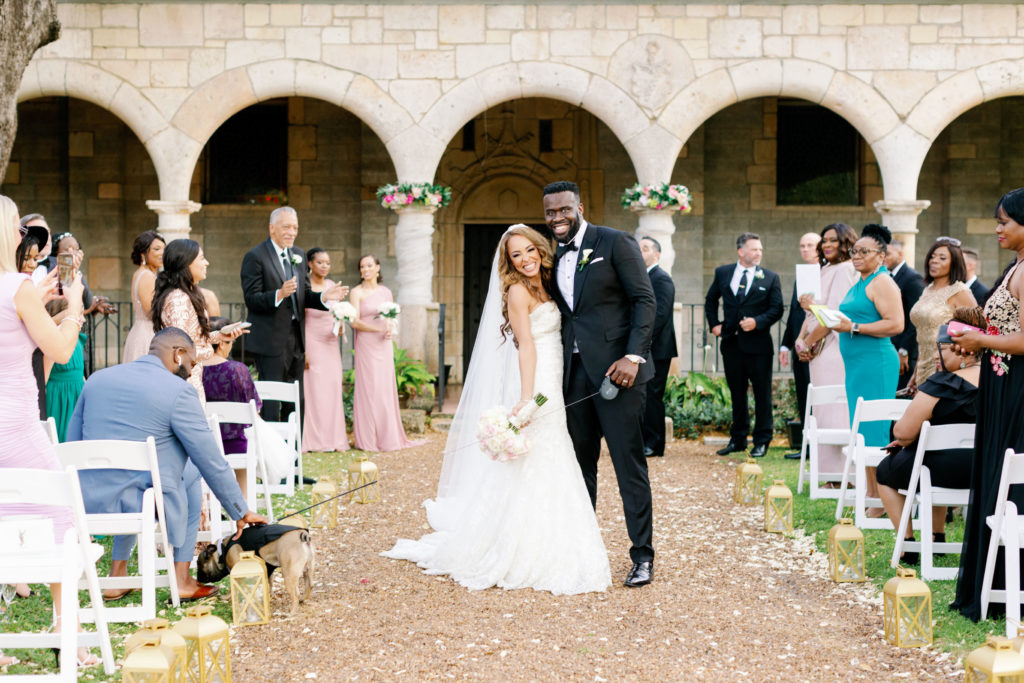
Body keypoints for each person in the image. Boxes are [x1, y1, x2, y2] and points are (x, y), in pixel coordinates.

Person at [382, 224, 611, 594]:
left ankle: (547, 537)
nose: (524, 260)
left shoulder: (549, 283)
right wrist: (527, 395)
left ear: (540, 249)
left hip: (559, 373)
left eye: (529, 251)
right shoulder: (518, 292)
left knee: (553, 455)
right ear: (508, 262)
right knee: (540, 453)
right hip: (540, 382)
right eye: (515, 255)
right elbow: (525, 346)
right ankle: (522, 549)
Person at [68, 327, 268, 601]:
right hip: (141, 501)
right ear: (178, 354)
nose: (191, 369)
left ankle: (118, 574)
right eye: (191, 362)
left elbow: (73, 442)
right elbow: (209, 458)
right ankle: (181, 577)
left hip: (88, 499)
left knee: (134, 477)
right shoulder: (178, 392)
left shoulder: (95, 380)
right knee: (192, 471)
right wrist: (239, 509)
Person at [0, 194, 97, 667]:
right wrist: (75, 306)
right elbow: (59, 350)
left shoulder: (19, 292)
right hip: (16, 424)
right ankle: (66, 631)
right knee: (59, 521)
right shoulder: (17, 287)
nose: (23, 235)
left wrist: (36, 301)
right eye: (18, 226)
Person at [545, 180, 656, 587]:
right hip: (574, 378)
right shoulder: (552, 255)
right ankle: (584, 554)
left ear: (580, 206)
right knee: (580, 468)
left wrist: (632, 356)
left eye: (563, 210)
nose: (557, 218)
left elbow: (645, 300)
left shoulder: (615, 242)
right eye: (550, 213)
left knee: (629, 466)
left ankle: (642, 556)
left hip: (618, 375)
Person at [951, 188, 1024, 621]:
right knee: (997, 477)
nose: (997, 229)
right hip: (1001, 384)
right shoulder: (1016, 265)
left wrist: (981, 339)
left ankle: (1008, 586)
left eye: (1005, 222)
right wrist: (974, 334)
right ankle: (994, 587)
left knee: (1012, 481)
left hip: (1018, 392)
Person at [876, 307, 983, 564]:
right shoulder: (999, 382)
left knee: (884, 471)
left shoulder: (942, 384)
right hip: (985, 469)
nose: (935, 355)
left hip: (939, 469)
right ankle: (938, 536)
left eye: (941, 348)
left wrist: (906, 441)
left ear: (964, 349)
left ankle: (907, 544)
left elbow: (902, 431)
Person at [240, 207, 348, 421]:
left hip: (296, 339)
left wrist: (324, 297)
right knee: (271, 399)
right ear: (272, 228)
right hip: (270, 341)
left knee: (296, 400)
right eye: (286, 227)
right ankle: (271, 453)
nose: (292, 232)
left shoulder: (297, 254)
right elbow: (251, 299)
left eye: (295, 228)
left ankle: (294, 453)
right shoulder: (255, 256)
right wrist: (278, 294)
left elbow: (305, 295)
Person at [833, 224, 904, 514]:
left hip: (876, 363)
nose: (856, 255)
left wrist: (855, 327)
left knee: (874, 429)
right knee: (861, 427)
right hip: (858, 367)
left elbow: (896, 324)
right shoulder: (861, 281)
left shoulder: (882, 282)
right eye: (854, 251)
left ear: (881, 256)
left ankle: (880, 498)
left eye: (864, 251)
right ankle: (871, 491)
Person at [705, 232, 784, 459]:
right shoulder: (723, 273)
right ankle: (738, 439)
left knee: (762, 394)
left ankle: (762, 441)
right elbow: (711, 300)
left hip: (759, 346)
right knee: (737, 393)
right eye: (754, 249)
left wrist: (757, 322)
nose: (758, 253)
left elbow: (777, 309)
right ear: (741, 252)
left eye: (760, 249)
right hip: (731, 344)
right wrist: (714, 325)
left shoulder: (770, 277)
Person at [795, 223, 859, 474]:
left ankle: (841, 473)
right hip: (817, 348)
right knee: (822, 408)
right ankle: (826, 471)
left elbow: (834, 316)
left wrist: (808, 342)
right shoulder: (824, 269)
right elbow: (812, 315)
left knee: (835, 409)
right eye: (825, 240)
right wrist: (802, 341)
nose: (828, 245)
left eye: (834, 240)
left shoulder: (844, 269)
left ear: (846, 244)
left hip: (832, 348)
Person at [152, 239, 246, 404]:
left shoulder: (186, 294)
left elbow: (191, 338)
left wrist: (220, 336)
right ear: (186, 263)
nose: (207, 263)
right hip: (182, 384)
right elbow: (180, 351)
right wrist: (210, 351)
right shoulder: (178, 300)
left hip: (192, 379)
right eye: (202, 258)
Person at [350, 254, 421, 452]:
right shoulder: (356, 293)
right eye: (362, 266)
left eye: (369, 266)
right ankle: (367, 439)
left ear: (378, 268)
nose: (365, 270)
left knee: (383, 389)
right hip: (366, 343)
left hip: (384, 345)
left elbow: (391, 317)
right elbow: (354, 321)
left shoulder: (386, 292)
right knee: (368, 389)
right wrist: (377, 329)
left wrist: (389, 327)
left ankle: (387, 437)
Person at [908, 237, 977, 390]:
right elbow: (924, 333)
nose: (934, 261)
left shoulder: (960, 291)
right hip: (922, 364)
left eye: (942, 258)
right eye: (932, 256)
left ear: (955, 262)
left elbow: (978, 331)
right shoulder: (928, 289)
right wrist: (916, 371)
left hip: (945, 367)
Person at [303, 247, 349, 453]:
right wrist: (302, 348)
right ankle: (314, 440)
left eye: (328, 263)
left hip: (330, 343)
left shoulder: (332, 285)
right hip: (312, 341)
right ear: (310, 264)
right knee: (314, 391)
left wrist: (341, 325)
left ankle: (334, 438)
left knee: (332, 388)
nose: (324, 266)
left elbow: (337, 312)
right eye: (320, 262)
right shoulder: (305, 285)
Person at [780, 231, 821, 459]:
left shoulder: (825, 273)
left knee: (817, 395)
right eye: (802, 245)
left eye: (810, 245)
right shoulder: (801, 275)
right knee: (803, 395)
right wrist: (786, 345)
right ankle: (805, 445)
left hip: (819, 344)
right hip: (799, 346)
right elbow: (795, 313)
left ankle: (817, 446)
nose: (805, 249)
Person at [639, 236, 677, 459]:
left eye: (645, 248)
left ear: (657, 254)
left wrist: (640, 339)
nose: (640, 251)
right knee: (642, 395)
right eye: (638, 248)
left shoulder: (662, 279)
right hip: (643, 347)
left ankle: (655, 444)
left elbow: (660, 315)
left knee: (653, 395)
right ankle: (644, 439)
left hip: (657, 348)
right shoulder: (640, 277)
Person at [44, 298, 86, 442]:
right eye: (79, 314)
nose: (84, 319)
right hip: (58, 399)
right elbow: (43, 377)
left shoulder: (78, 339)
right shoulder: (54, 340)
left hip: (77, 397)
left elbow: (81, 375)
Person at [885, 238, 925, 389]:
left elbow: (915, 318)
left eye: (887, 254)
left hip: (903, 352)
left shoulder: (912, 278)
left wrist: (904, 351)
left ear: (900, 254)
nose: (883, 258)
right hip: (889, 346)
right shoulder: (887, 277)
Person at [122, 230, 165, 363]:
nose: (162, 253)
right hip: (147, 335)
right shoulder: (147, 276)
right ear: (143, 254)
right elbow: (151, 312)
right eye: (157, 249)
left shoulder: (142, 274)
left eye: (164, 249)